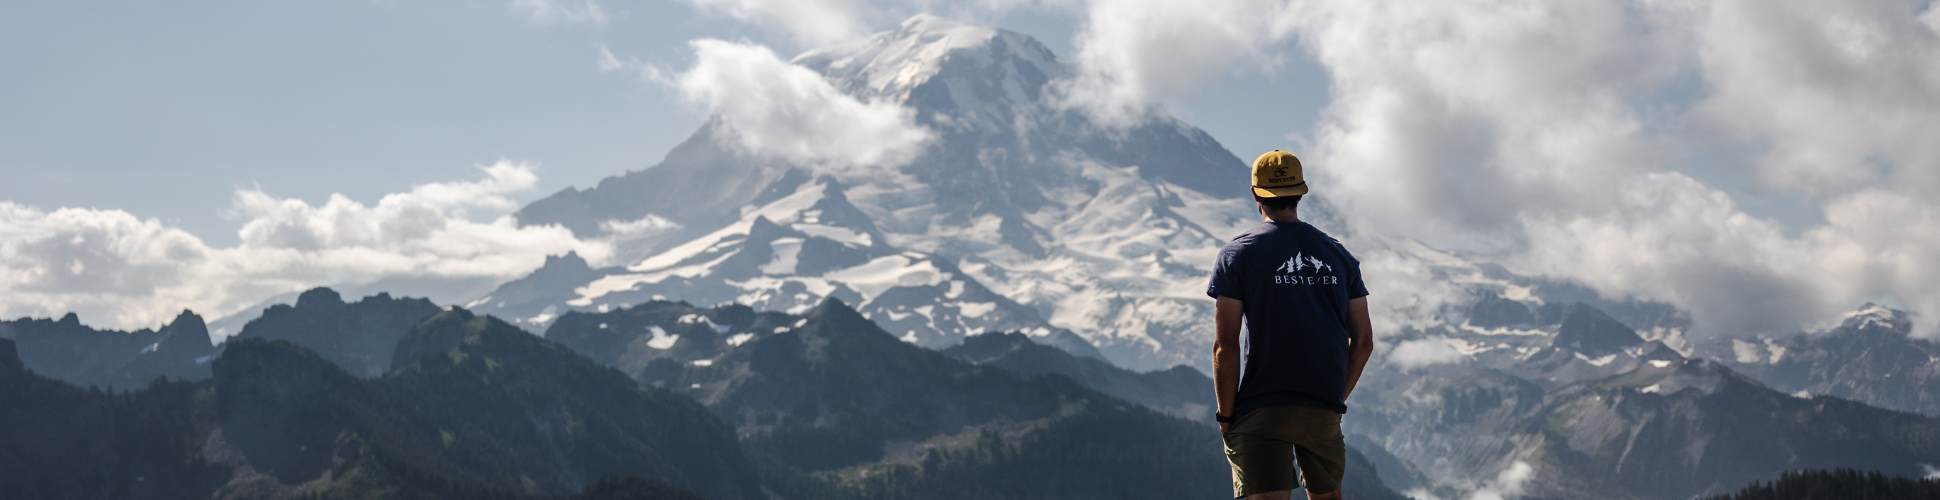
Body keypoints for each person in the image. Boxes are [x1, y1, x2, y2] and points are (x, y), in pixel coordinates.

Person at [1208, 150, 1376, 500]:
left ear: (1256, 194)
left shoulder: (1239, 254)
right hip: (1322, 403)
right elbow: (1363, 342)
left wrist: (1226, 416)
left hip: (1262, 404)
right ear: (1301, 192)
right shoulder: (1338, 254)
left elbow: (1226, 343)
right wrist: (1334, 397)